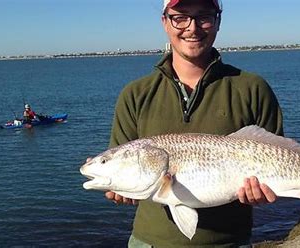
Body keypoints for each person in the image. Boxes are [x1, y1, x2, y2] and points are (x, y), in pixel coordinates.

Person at [105, 0, 284, 246]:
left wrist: (263, 193)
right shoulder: (135, 95)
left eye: (204, 17)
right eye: (180, 17)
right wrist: (120, 189)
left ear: (218, 21)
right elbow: (125, 166)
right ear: (165, 21)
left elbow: (280, 160)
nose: (192, 28)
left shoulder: (253, 88)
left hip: (231, 243)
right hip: (149, 242)